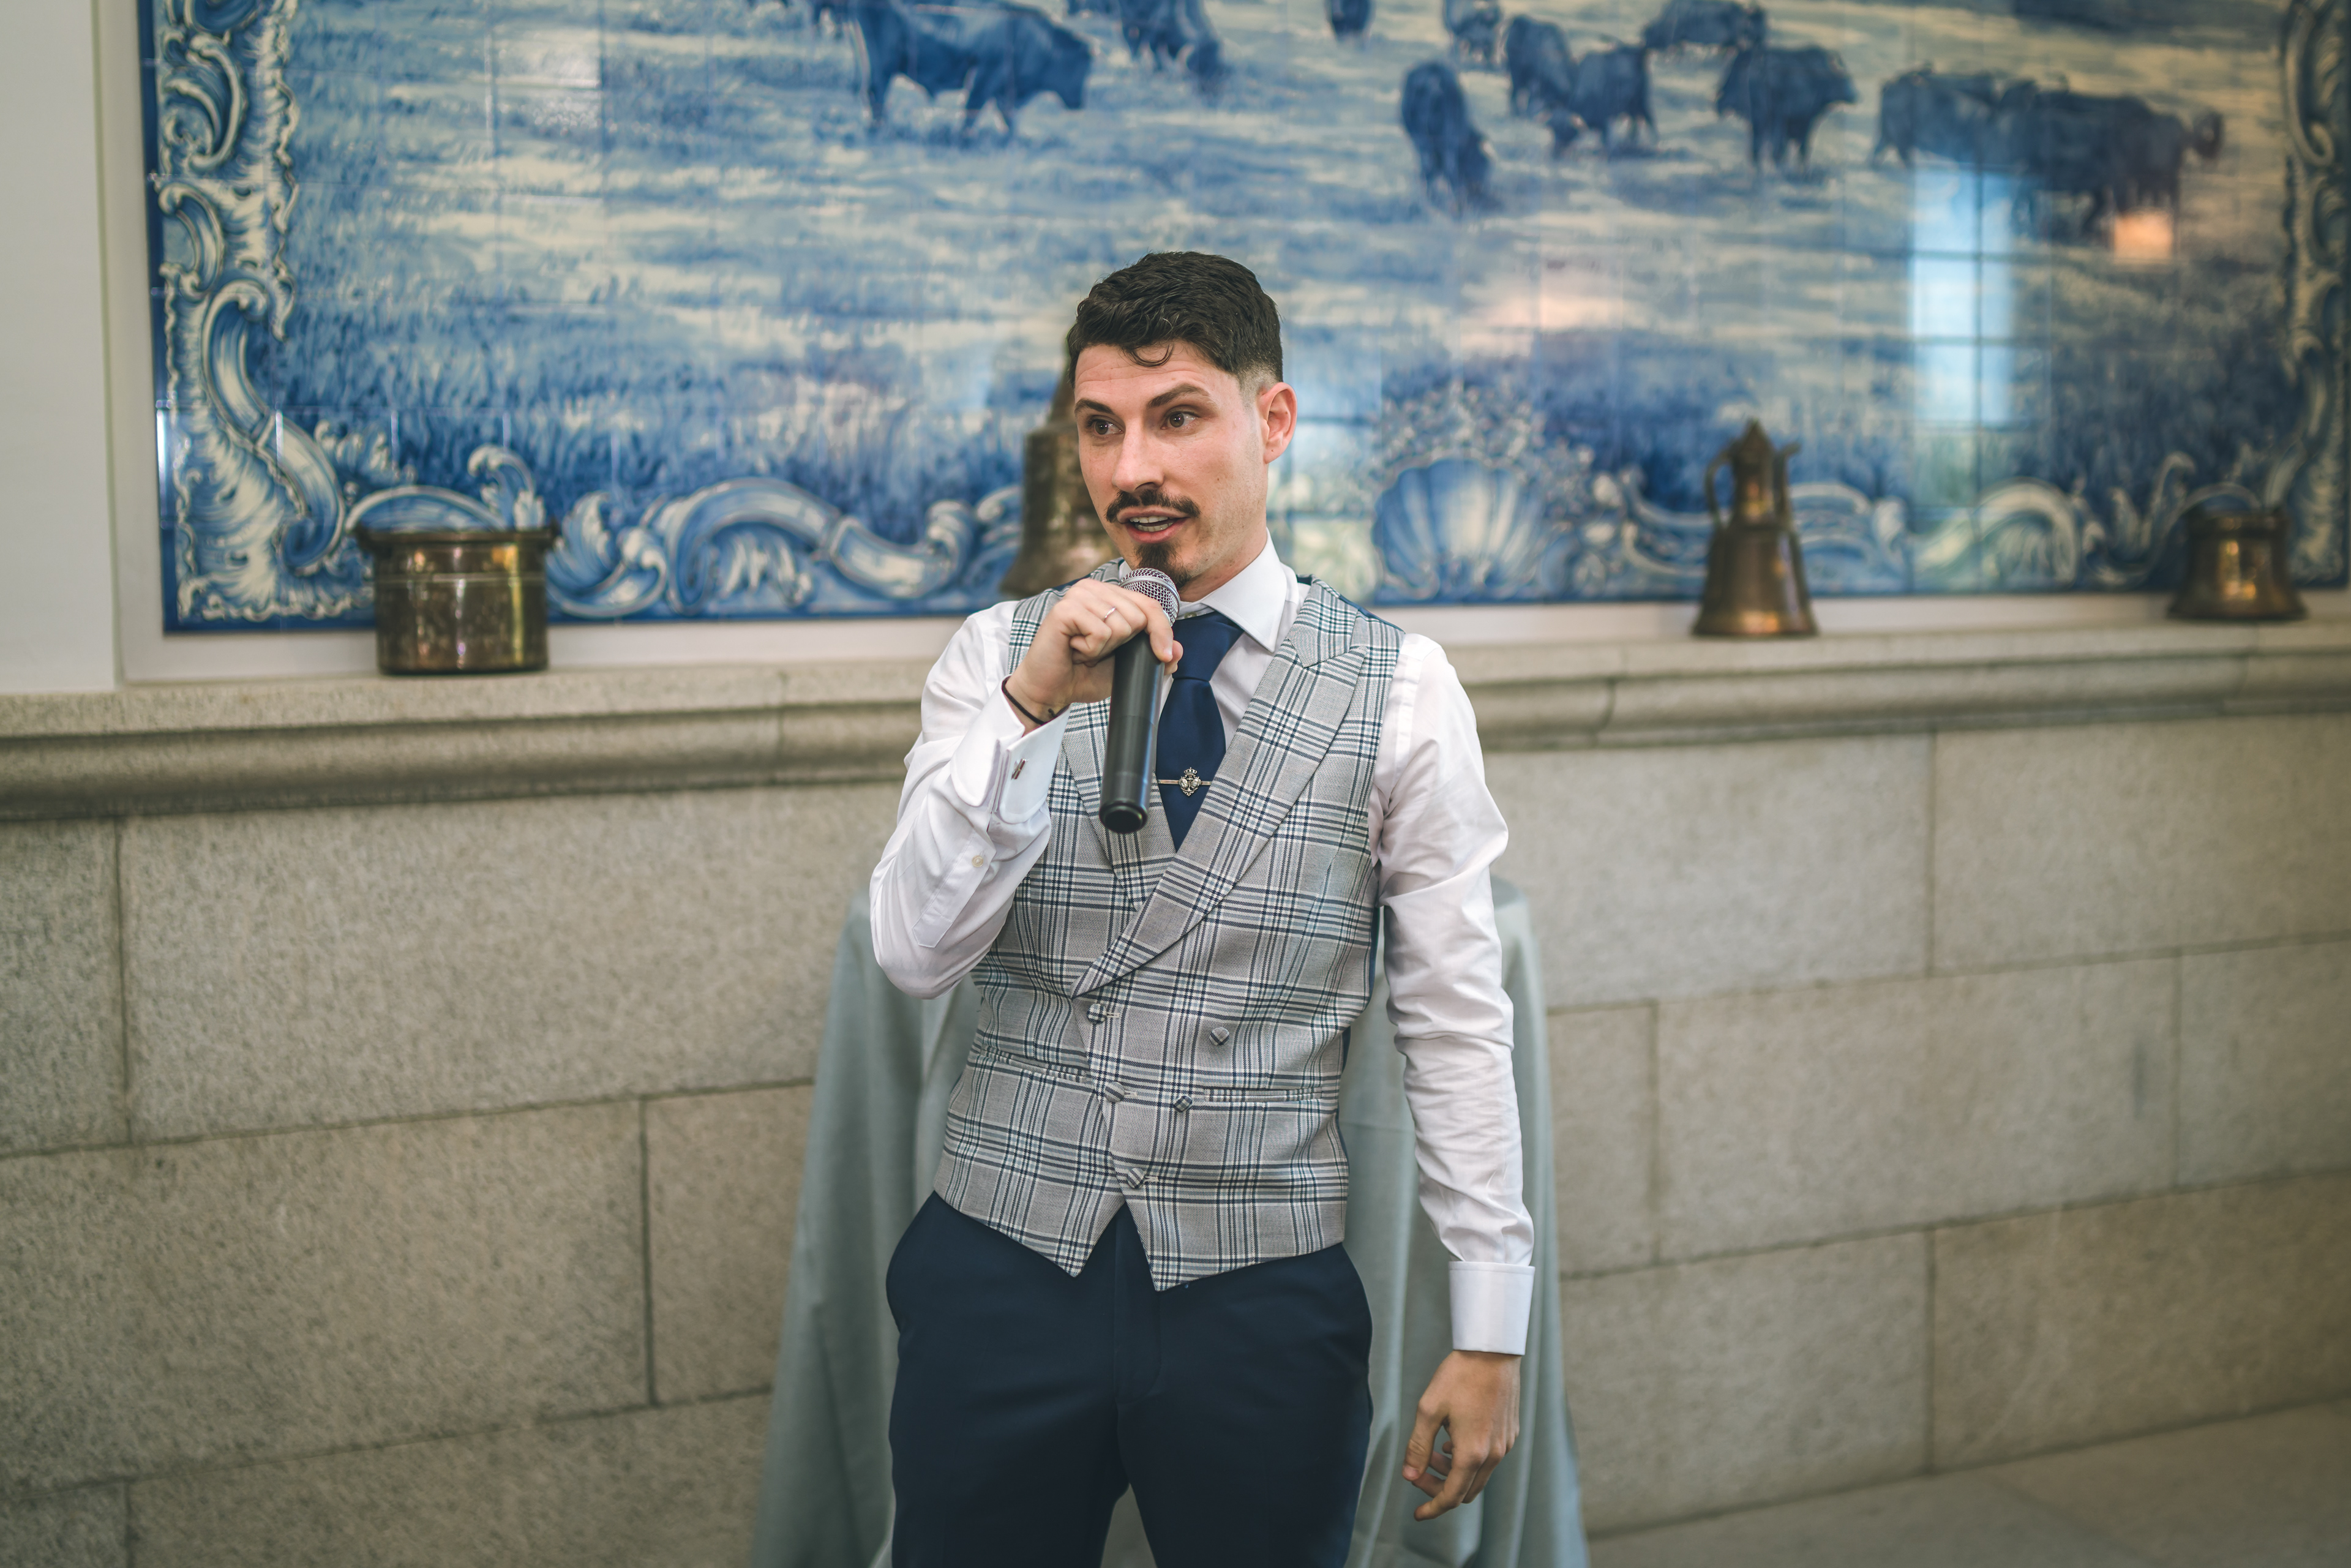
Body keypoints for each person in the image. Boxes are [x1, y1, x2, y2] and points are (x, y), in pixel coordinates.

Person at [868, 251, 1533, 1568]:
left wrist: (1491, 1330)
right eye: (1100, 427)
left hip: (1260, 1301)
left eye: (1177, 417)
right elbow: (912, 954)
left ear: (1271, 420)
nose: (1132, 471)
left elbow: (1456, 1020)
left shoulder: (1404, 689)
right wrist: (1027, 711)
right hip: (998, 1277)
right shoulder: (994, 657)